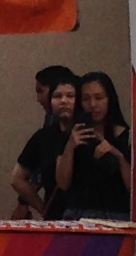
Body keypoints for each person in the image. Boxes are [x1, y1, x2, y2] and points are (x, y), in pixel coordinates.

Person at [47, 74, 130, 221]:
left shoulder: (126, 135)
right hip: (77, 215)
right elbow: (62, 184)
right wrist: (70, 146)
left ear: (109, 99)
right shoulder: (71, 133)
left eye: (99, 98)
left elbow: (133, 187)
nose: (93, 104)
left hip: (116, 216)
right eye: (86, 99)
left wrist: (118, 156)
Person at [8, 65, 83, 220]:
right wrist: (42, 209)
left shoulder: (87, 131)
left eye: (40, 91)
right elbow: (24, 176)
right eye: (58, 96)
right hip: (58, 214)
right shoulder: (46, 134)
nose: (64, 101)